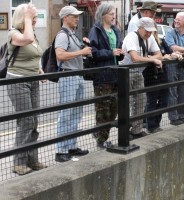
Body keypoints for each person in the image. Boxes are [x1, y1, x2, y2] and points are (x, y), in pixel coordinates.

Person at [6, 3, 46, 175]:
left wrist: (39, 70)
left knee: (34, 120)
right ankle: (18, 162)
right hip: (18, 81)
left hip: (33, 80)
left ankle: (32, 158)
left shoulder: (32, 32)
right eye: (33, 18)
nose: (35, 21)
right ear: (23, 18)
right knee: (26, 121)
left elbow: (33, 54)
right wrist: (28, 18)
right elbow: (27, 40)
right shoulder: (14, 33)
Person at [55, 6, 91, 162]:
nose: (77, 18)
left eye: (77, 16)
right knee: (66, 114)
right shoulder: (62, 35)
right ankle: (61, 150)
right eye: (73, 16)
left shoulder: (72, 34)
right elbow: (60, 55)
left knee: (76, 113)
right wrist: (81, 52)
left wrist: (82, 47)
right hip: (68, 76)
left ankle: (71, 146)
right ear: (65, 18)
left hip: (76, 76)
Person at [88, 3, 124, 148]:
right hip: (102, 75)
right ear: (103, 15)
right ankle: (101, 140)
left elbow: (118, 49)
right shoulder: (95, 30)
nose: (114, 16)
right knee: (103, 109)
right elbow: (93, 52)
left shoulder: (116, 30)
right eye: (111, 14)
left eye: (114, 13)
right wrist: (110, 53)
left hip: (115, 74)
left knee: (114, 108)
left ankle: (101, 134)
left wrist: (120, 53)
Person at [120, 17, 162, 138]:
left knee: (141, 100)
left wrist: (153, 58)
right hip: (126, 72)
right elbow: (135, 58)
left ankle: (136, 130)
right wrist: (152, 59)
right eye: (147, 31)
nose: (149, 33)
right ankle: (124, 132)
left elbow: (159, 55)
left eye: (151, 31)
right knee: (126, 103)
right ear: (140, 28)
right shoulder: (131, 37)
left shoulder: (150, 38)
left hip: (139, 72)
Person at [143, 24, 183, 133]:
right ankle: (151, 125)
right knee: (152, 100)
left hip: (162, 72)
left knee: (164, 100)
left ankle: (155, 122)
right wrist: (162, 57)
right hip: (151, 73)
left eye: (153, 30)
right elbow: (145, 56)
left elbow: (169, 52)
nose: (152, 32)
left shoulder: (160, 40)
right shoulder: (145, 41)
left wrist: (175, 54)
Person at [165, 12, 184, 126]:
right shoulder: (170, 33)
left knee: (183, 89)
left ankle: (181, 115)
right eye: (175, 19)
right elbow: (173, 47)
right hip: (172, 64)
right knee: (172, 91)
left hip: (183, 64)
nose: (176, 21)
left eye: (179, 20)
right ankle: (173, 117)